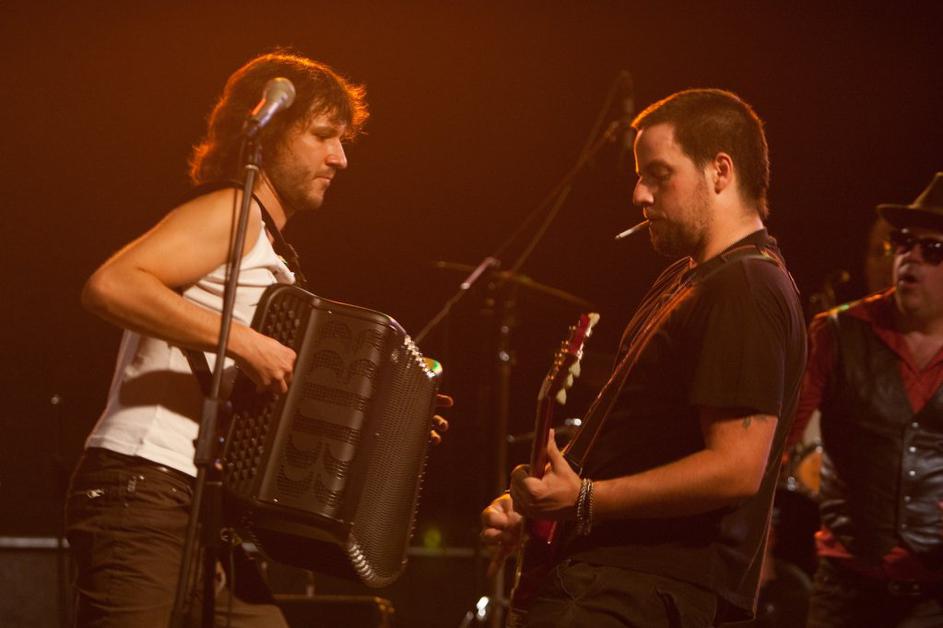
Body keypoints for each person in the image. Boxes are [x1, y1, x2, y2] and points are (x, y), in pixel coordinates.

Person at [67, 51, 447, 627]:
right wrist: (244, 342)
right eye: (323, 135)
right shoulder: (233, 210)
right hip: (144, 484)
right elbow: (112, 284)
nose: (340, 157)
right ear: (269, 132)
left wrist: (392, 427)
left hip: (202, 506)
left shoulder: (268, 248)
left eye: (342, 141)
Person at [480, 88, 806, 627]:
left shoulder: (745, 285)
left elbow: (736, 467)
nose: (638, 194)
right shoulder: (688, 280)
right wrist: (539, 506)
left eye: (659, 174)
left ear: (720, 171)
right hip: (612, 582)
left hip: (636, 590)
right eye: (640, 176)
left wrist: (584, 500)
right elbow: (629, 437)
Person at [787, 172, 943, 628]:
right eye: (904, 242)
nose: (910, 256)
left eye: (932, 249)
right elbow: (773, 452)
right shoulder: (838, 333)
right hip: (847, 592)